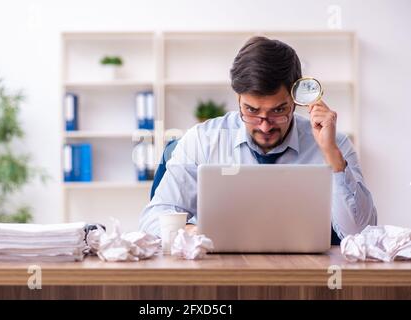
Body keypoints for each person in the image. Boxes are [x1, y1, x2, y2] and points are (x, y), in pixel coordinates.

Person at [139, 36, 377, 239]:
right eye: (252, 111)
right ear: (238, 98)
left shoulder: (334, 144)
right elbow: (152, 221)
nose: (264, 126)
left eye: (278, 110)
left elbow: (362, 234)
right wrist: (195, 232)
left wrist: (332, 155)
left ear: (296, 100)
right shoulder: (202, 140)